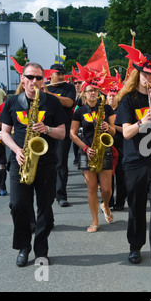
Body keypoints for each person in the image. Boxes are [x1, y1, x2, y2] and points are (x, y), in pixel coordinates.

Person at [0, 62, 66, 267]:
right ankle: (23, 246)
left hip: (46, 162)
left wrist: (46, 129)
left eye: (38, 78)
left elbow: (62, 133)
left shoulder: (53, 103)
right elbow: (4, 133)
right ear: (22, 79)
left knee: (45, 208)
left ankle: (41, 250)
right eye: (30, 77)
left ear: (43, 80)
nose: (34, 82)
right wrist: (17, 150)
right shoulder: (12, 102)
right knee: (17, 205)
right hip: (20, 160)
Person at [115, 48, 151, 279]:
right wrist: (143, 121)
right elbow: (127, 133)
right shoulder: (128, 100)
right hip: (135, 162)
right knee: (137, 207)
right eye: (144, 74)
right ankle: (135, 245)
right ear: (137, 74)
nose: (147, 78)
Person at [70, 82, 116, 233]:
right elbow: (72, 133)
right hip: (87, 150)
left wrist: (107, 128)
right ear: (84, 93)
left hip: (104, 150)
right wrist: (85, 148)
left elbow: (114, 131)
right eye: (90, 91)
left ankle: (106, 205)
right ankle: (95, 220)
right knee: (91, 188)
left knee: (107, 189)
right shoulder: (79, 111)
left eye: (95, 90)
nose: (93, 93)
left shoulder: (107, 108)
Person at [45, 64, 77, 207]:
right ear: (51, 75)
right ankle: (46, 192)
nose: (62, 77)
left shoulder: (68, 88)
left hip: (63, 128)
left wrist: (49, 95)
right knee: (46, 162)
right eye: (58, 74)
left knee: (61, 162)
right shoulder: (43, 87)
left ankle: (61, 195)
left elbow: (69, 102)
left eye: (63, 74)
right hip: (46, 128)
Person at [106, 83, 127, 211]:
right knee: (108, 176)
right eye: (109, 95)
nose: (112, 98)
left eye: (114, 95)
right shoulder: (104, 109)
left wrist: (112, 127)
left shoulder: (122, 110)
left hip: (121, 146)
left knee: (121, 176)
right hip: (107, 146)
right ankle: (108, 201)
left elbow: (127, 128)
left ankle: (120, 202)